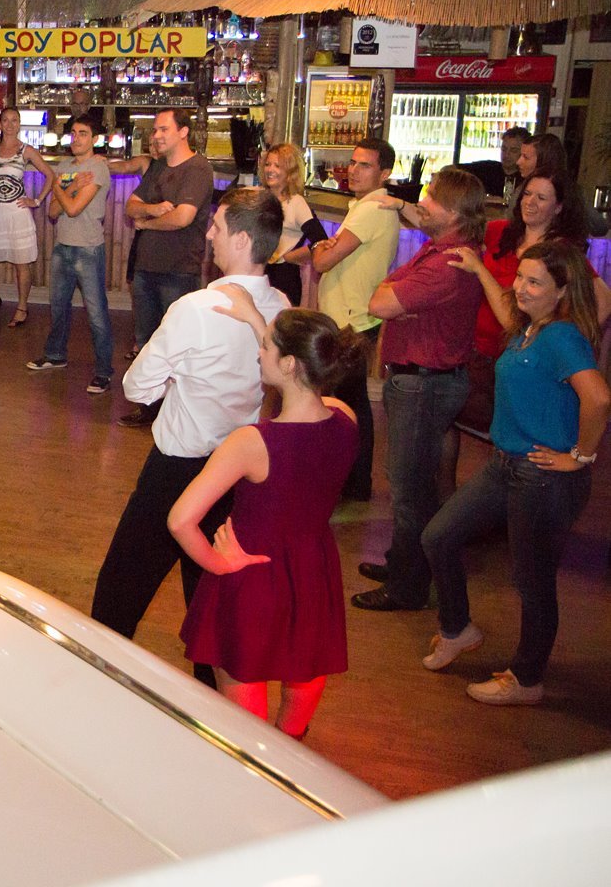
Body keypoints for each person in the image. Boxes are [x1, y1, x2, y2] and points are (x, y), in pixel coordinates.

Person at [90, 187, 289, 680]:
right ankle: (211, 704)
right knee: (207, 599)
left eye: (218, 227)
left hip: (176, 471)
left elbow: (137, 387)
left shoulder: (197, 308)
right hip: (238, 474)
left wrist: (172, 378)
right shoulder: (281, 305)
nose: (210, 234)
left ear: (241, 240)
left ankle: (97, 678)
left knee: (120, 590)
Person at [421, 240, 609, 705]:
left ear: (562, 291)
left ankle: (527, 679)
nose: (519, 288)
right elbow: (508, 312)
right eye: (519, 277)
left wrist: (580, 456)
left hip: (542, 477)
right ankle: (458, 628)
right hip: (505, 466)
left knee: (532, 581)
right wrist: (480, 269)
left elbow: (600, 399)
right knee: (438, 536)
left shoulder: (562, 336)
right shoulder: (530, 330)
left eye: (533, 281)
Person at [172, 301, 365, 736]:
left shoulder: (252, 443)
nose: (259, 352)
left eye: (264, 346)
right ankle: (292, 745)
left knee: (245, 723)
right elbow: (308, 394)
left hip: (253, 576)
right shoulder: (346, 418)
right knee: (305, 671)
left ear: (291, 362)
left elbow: (180, 519)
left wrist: (219, 563)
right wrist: (265, 326)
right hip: (312, 569)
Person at [351, 166, 485, 611]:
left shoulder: (448, 262)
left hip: (425, 383)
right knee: (410, 484)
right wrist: (393, 296)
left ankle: (408, 586)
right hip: (419, 380)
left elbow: (379, 301)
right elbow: (387, 291)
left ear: (452, 212)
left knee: (410, 489)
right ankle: (403, 563)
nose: (422, 203)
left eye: (430, 198)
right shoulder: (440, 249)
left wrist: (394, 298)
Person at [440, 167, 601, 485]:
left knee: (510, 435)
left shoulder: (560, 254)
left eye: (542, 197)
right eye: (527, 193)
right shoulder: (500, 231)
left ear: (558, 207)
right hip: (478, 350)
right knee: (454, 419)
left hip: (515, 355)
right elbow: (453, 222)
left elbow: (598, 298)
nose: (530, 202)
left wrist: (565, 333)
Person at [310, 138, 402, 502]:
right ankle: (353, 481)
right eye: (353, 162)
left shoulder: (371, 209)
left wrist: (322, 247)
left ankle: (350, 482)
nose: (354, 169)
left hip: (350, 319)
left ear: (385, 173)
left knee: (343, 404)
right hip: (354, 316)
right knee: (350, 402)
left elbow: (321, 262)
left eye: (364, 165)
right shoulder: (369, 206)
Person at [118, 108, 216, 427]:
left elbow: (183, 218)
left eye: (163, 129)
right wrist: (151, 210)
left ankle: (178, 413)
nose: (156, 135)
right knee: (147, 340)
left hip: (179, 269)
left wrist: (147, 223)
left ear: (183, 132)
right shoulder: (158, 166)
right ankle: (151, 410)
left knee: (178, 343)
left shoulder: (198, 168)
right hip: (147, 267)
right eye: (155, 130)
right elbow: (131, 205)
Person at [24, 117, 116, 393]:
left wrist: (58, 188)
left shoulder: (98, 169)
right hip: (63, 246)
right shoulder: (64, 167)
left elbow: (73, 209)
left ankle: (103, 371)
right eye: (73, 134)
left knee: (97, 313)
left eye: (83, 134)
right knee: (58, 307)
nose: (76, 139)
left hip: (88, 248)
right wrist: (71, 187)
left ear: (94, 139)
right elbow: (53, 212)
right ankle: (56, 355)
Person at [0, 107, 56, 328]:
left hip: (18, 213)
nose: (10, 124)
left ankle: (22, 307)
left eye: (14, 120)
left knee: (22, 263)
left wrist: (37, 200)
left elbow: (50, 174)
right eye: (6, 120)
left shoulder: (26, 150)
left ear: (19, 124)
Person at [258, 143, 326, 307]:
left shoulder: (296, 202)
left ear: (290, 172)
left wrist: (289, 257)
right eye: (267, 164)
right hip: (261, 270)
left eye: (277, 166)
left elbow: (321, 240)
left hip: (285, 275)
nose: (270, 170)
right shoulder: (261, 197)